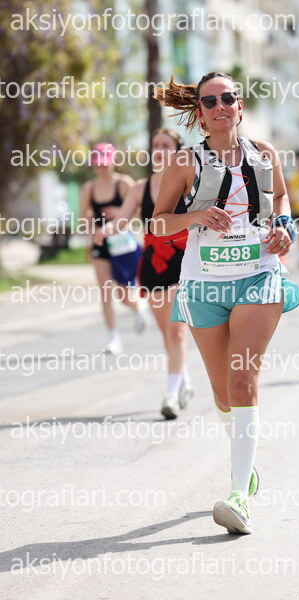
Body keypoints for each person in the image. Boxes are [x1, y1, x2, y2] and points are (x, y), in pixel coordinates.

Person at [151, 71, 299, 535]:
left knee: (242, 380)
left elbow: (281, 199)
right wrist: (195, 215)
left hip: (259, 276)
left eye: (228, 98)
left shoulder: (264, 153)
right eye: (209, 101)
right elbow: (157, 223)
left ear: (240, 106)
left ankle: (238, 495)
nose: (220, 106)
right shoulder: (185, 162)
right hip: (204, 283)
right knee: (222, 394)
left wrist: (285, 228)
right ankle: (246, 467)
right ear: (199, 113)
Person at [94, 130, 194, 419]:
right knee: (166, 333)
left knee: (176, 331)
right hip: (153, 265)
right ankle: (184, 381)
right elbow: (121, 220)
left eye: (166, 145)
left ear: (177, 151)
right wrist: (105, 230)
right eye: (155, 145)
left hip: (184, 262)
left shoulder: (190, 183)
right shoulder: (140, 188)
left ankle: (170, 395)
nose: (159, 150)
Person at [81, 142, 146, 356]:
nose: (101, 168)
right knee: (105, 290)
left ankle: (137, 308)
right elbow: (84, 216)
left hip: (122, 242)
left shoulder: (124, 183)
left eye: (105, 163)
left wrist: (120, 212)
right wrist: (90, 234)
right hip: (100, 244)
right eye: (98, 164)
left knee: (124, 296)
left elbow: (140, 208)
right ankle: (113, 338)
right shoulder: (88, 188)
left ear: (113, 161)